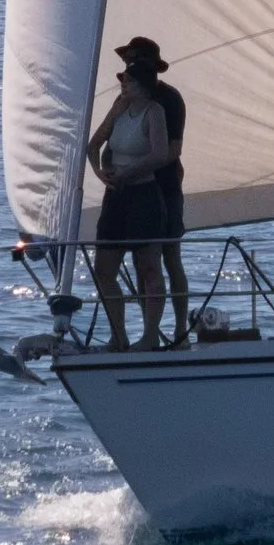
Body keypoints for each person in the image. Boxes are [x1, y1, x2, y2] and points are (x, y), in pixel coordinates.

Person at [86, 36, 190, 350]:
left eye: (135, 62)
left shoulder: (166, 102)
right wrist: (107, 168)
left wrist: (132, 171)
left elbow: (170, 151)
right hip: (123, 191)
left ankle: (178, 332)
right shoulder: (122, 103)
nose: (128, 68)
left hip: (163, 187)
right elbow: (102, 141)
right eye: (128, 61)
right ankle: (133, 335)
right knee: (128, 266)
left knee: (166, 260)